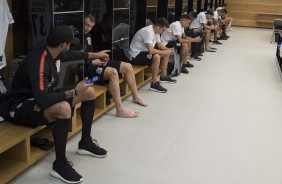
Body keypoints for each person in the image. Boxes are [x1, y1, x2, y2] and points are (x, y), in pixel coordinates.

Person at [9, 24, 109, 183]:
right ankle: (59, 164)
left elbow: (71, 55)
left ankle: (85, 142)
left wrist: (94, 55)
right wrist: (74, 91)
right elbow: (42, 100)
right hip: (21, 108)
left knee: (89, 92)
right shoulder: (39, 61)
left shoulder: (53, 51)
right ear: (63, 45)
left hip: (40, 99)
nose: (69, 47)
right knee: (64, 109)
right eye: (69, 44)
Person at [84, 14, 148, 118]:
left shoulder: (88, 36)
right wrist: (92, 62)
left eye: (91, 26)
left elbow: (90, 53)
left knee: (127, 66)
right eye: (86, 25)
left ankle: (135, 96)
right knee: (113, 72)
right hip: (89, 75)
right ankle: (120, 109)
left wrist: (100, 57)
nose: (88, 28)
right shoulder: (75, 38)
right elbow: (73, 62)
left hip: (94, 63)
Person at [129, 17, 176, 93]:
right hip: (136, 56)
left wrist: (168, 50)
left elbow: (160, 45)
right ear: (158, 27)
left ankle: (163, 76)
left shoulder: (156, 32)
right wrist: (165, 52)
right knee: (157, 56)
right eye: (162, 30)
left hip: (144, 54)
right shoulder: (148, 31)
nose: (162, 32)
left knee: (165, 53)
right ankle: (154, 83)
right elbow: (151, 50)